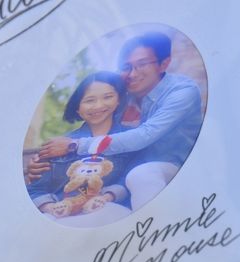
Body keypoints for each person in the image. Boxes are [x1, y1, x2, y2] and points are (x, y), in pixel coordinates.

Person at [36, 32, 203, 210]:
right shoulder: (120, 94)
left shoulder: (182, 92)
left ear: (164, 64)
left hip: (177, 168)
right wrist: (41, 163)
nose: (132, 73)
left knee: (141, 175)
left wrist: (74, 145)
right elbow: (99, 128)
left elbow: (144, 135)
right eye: (126, 66)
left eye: (142, 64)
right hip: (119, 185)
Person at [27, 71, 132, 217]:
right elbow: (35, 190)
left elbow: (131, 180)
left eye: (108, 97)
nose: (98, 105)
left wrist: (106, 198)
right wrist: (53, 208)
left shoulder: (131, 139)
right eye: (89, 100)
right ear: (78, 108)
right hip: (61, 217)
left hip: (110, 213)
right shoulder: (56, 146)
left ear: (118, 100)